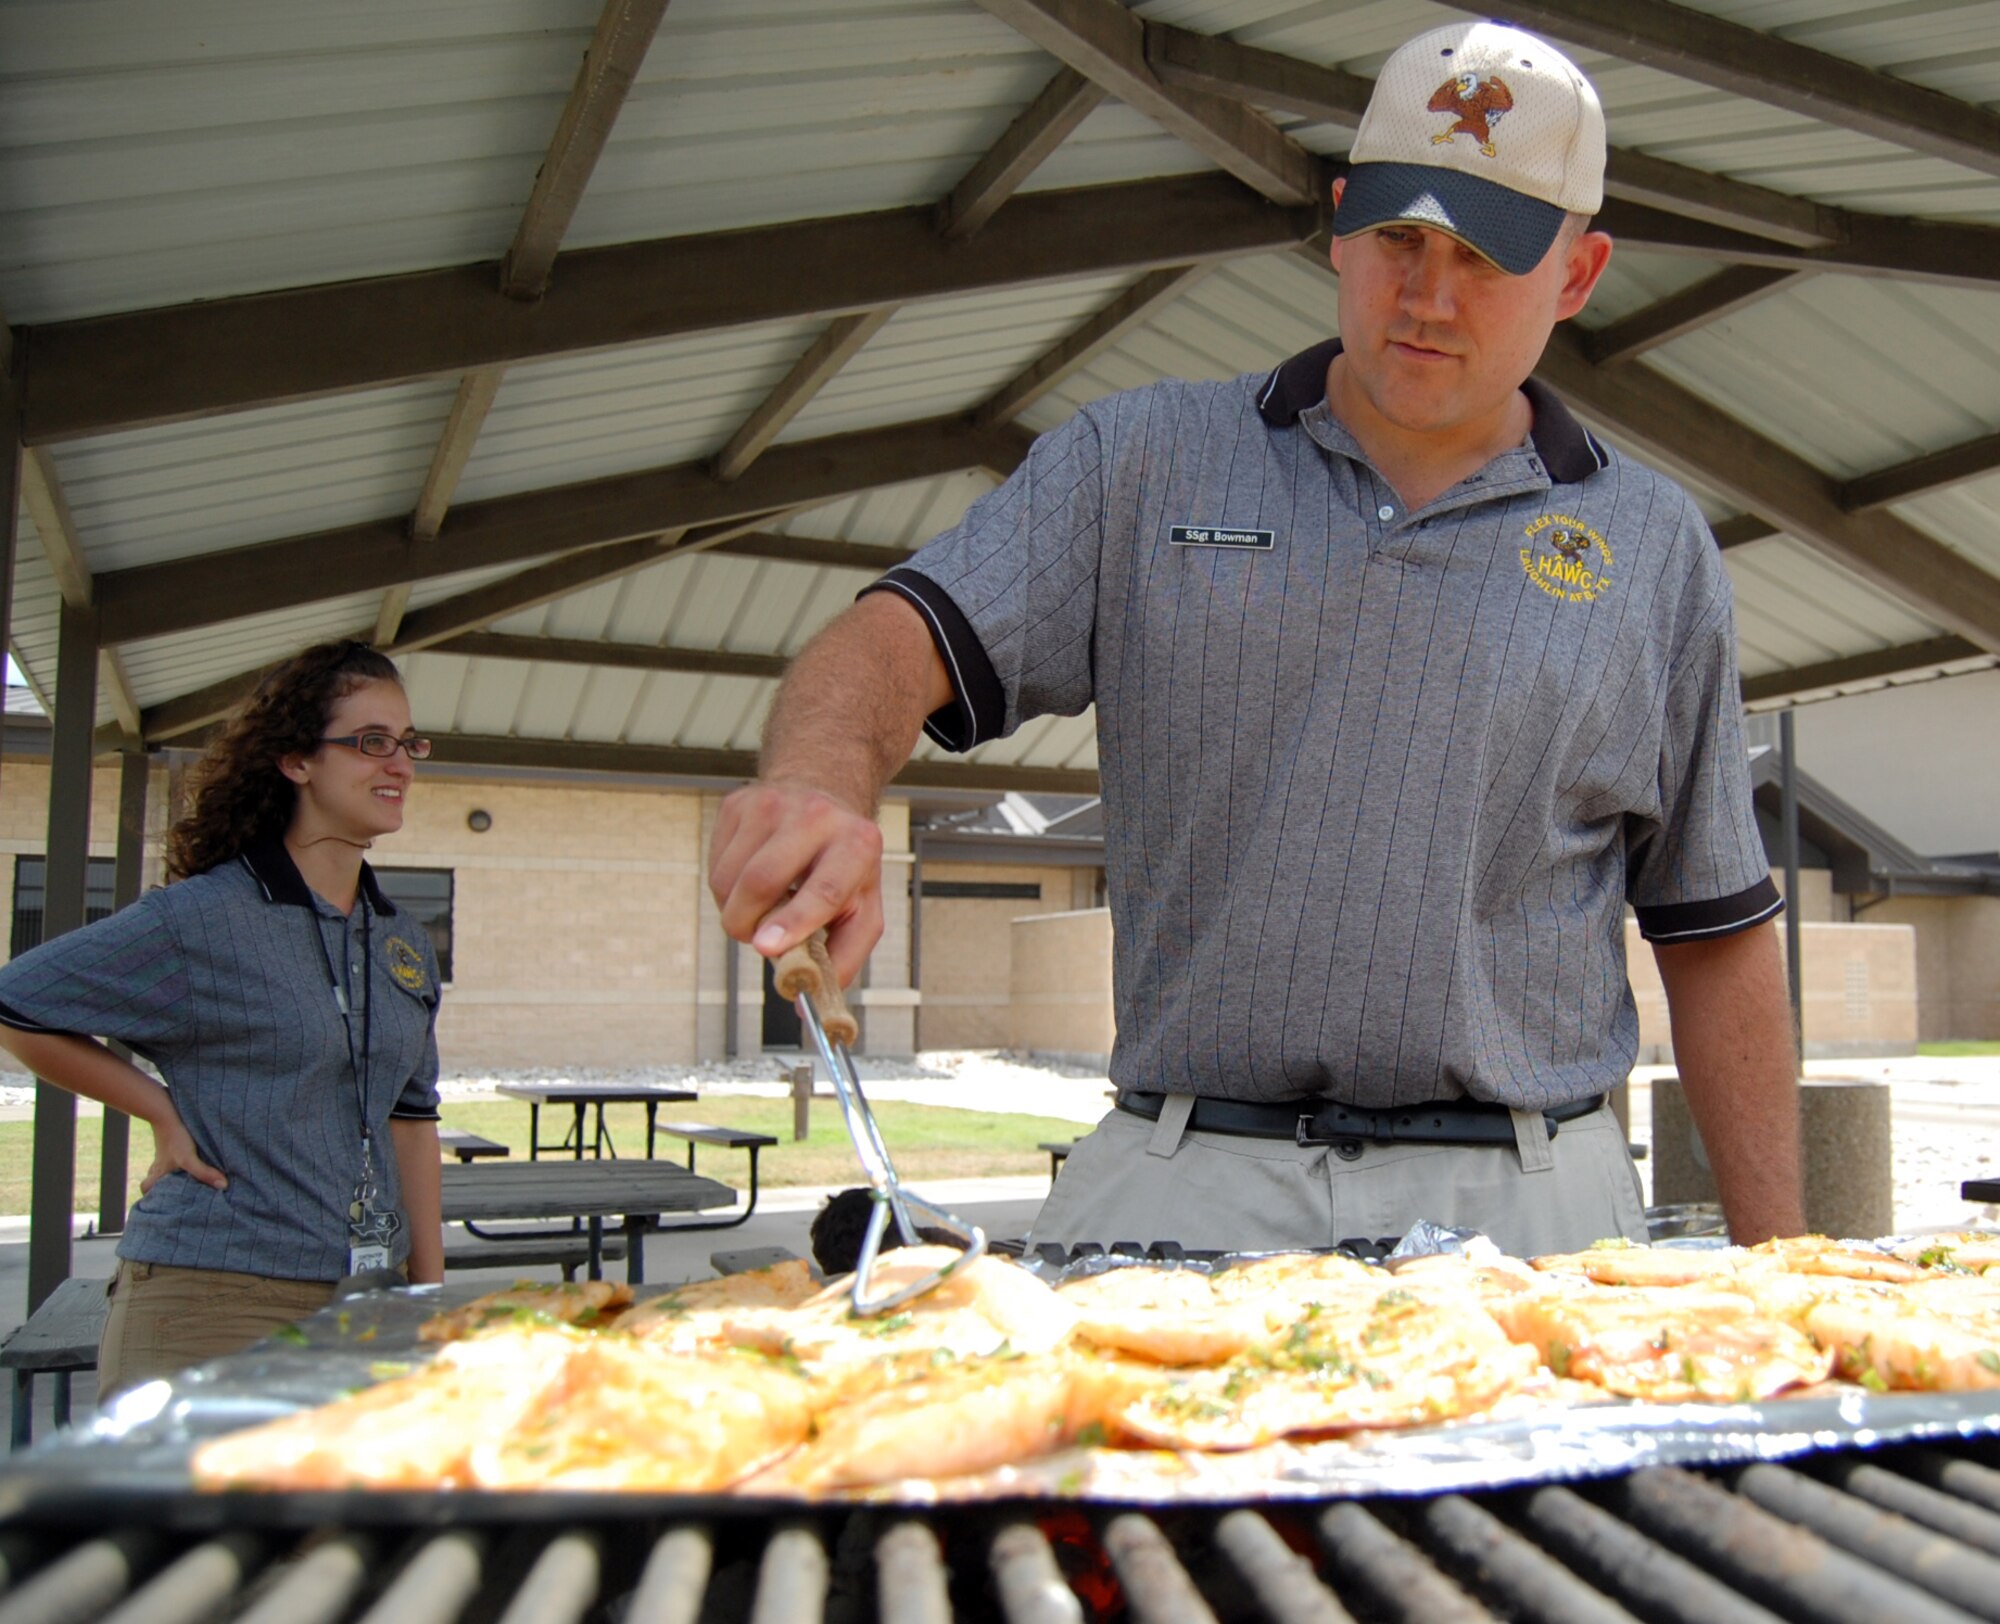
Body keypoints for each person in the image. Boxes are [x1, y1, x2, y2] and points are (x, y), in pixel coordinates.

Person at [709, 21, 1804, 1257]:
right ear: (1340, 224)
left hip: (1530, 1201)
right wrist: (814, 786)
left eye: (1484, 256)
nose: (1426, 296)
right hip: (1186, 1177)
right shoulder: (1139, 461)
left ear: (1577, 274)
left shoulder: (1652, 546)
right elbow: (891, 639)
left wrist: (1788, 1280)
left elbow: (1712, 933)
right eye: (1397, 237)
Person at [0, 640, 446, 1397]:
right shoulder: (202, 918)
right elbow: (18, 1001)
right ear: (296, 761)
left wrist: (428, 1300)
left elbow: (412, 1120)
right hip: (212, 1300)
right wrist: (160, 1111)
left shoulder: (400, 938)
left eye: (408, 743)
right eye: (371, 742)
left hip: (369, 1306)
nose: (398, 763)